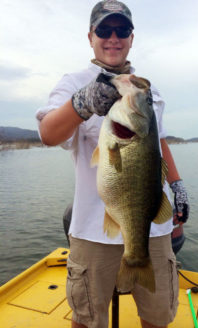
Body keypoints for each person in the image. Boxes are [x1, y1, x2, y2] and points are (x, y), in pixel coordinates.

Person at [36, 1, 189, 327]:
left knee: (158, 315)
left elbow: (157, 140)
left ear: (132, 37)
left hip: (152, 229)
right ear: (90, 36)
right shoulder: (73, 82)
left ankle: (138, 265)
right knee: (87, 317)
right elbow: (48, 133)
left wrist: (177, 186)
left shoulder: (147, 89)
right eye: (104, 30)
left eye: (122, 31)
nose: (113, 38)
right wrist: (81, 103)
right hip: (93, 231)